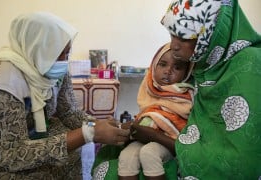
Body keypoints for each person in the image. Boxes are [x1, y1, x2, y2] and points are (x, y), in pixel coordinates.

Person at [93, 0, 261, 179]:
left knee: (142, 160)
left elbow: (240, 161)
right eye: (172, 34)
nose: (173, 45)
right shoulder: (205, 62)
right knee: (114, 159)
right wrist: (140, 128)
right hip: (182, 143)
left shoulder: (250, 65)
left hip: (208, 161)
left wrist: (156, 137)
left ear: (212, 33)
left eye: (183, 37)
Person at [0, 12, 130, 180]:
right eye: (60, 53)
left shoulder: (51, 67)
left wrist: (98, 124)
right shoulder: (2, 82)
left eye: (68, 52)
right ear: (37, 48)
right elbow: (10, 156)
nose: (65, 60)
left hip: (30, 134)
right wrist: (89, 133)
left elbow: (69, 112)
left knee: (74, 151)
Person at [118, 43, 194, 180]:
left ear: (186, 73)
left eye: (177, 67)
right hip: (143, 136)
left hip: (169, 139)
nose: (168, 70)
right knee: (126, 157)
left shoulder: (185, 94)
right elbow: (147, 115)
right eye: (163, 64)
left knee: (149, 153)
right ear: (154, 66)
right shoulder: (148, 87)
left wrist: (153, 132)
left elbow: (184, 124)